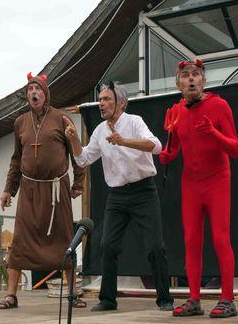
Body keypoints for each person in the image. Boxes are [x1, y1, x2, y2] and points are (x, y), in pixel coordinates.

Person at [65, 82, 174, 312]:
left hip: (144, 191)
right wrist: (73, 138)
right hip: (117, 195)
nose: (102, 104)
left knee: (155, 246)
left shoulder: (134, 122)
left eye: (107, 99)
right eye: (100, 99)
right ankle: (108, 299)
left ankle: (165, 298)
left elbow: (156, 145)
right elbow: (83, 159)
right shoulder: (100, 130)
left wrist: (124, 140)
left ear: (121, 103)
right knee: (108, 245)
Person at [0, 72, 86, 309]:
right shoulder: (20, 122)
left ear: (45, 94)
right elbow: (16, 159)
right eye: (29, 89)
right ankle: (11, 295)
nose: (33, 92)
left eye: (38, 89)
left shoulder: (61, 119)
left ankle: (73, 294)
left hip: (56, 190)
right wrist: (8, 190)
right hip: (28, 190)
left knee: (64, 238)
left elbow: (76, 153)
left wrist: (78, 183)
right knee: (20, 239)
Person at [159, 59, 238, 318]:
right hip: (191, 183)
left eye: (196, 75)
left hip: (217, 180)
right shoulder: (177, 111)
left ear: (204, 81)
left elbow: (235, 149)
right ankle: (194, 298)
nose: (191, 79)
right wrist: (165, 153)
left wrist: (213, 133)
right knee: (191, 241)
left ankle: (227, 299)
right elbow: (172, 151)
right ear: (178, 83)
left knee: (220, 238)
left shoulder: (219, 105)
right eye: (185, 75)